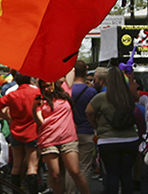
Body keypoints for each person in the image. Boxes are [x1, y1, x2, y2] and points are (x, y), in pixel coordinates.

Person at [86, 66, 139, 194]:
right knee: (126, 174)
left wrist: (97, 126)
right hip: (130, 138)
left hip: (108, 140)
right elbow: (137, 96)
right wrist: (131, 79)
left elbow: (88, 111)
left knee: (112, 174)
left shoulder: (102, 97)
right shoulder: (128, 96)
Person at [33, 79, 89, 194]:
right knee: (55, 175)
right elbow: (40, 122)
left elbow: (70, 70)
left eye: (48, 85)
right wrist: (35, 108)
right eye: (43, 87)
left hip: (68, 138)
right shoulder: (39, 99)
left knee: (75, 172)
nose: (46, 89)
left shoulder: (65, 92)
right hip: (48, 139)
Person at [0, 73, 39, 194]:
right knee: (32, 165)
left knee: (16, 164)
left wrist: (7, 118)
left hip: (16, 130)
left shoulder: (12, 95)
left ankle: (15, 191)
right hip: (33, 130)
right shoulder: (36, 93)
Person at [63, 61, 96, 194]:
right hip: (87, 132)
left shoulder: (66, 91)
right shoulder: (92, 92)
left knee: (70, 169)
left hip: (69, 133)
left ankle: (70, 192)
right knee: (84, 167)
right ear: (86, 73)